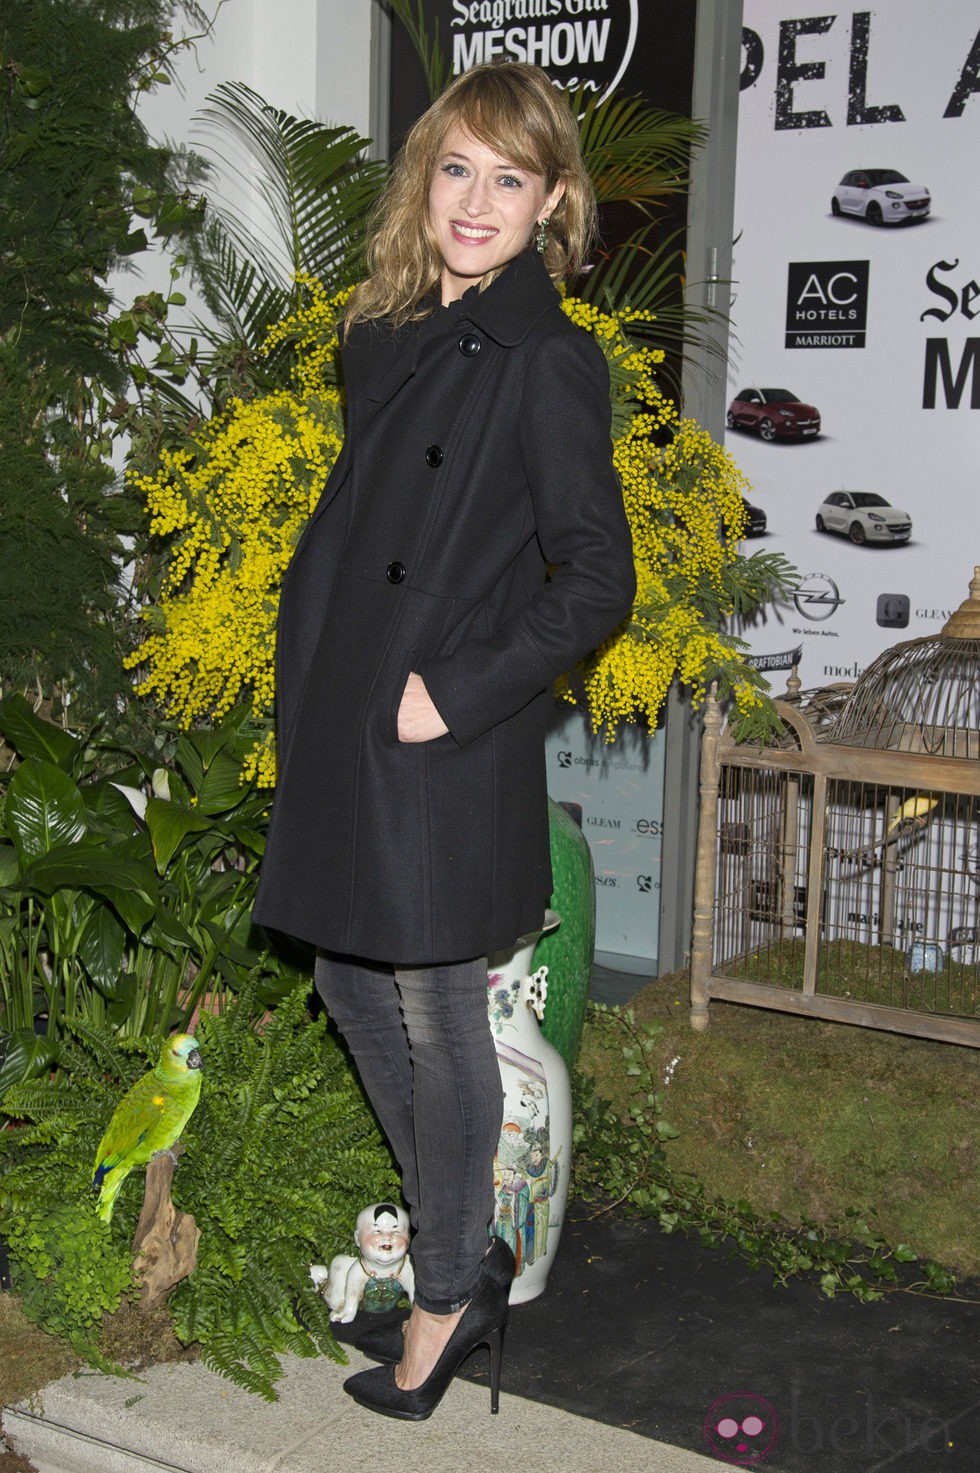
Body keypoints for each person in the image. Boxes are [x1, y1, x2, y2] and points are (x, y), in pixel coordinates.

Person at [252, 60, 636, 1420]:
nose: (476, 202)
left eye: (510, 179)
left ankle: (443, 1289)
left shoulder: (545, 359)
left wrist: (454, 693)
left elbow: (597, 578)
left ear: (553, 205)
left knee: (436, 1015)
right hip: (351, 713)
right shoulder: (386, 330)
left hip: (437, 727)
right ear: (427, 176)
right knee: (352, 987)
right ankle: (459, 1247)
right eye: (458, 169)